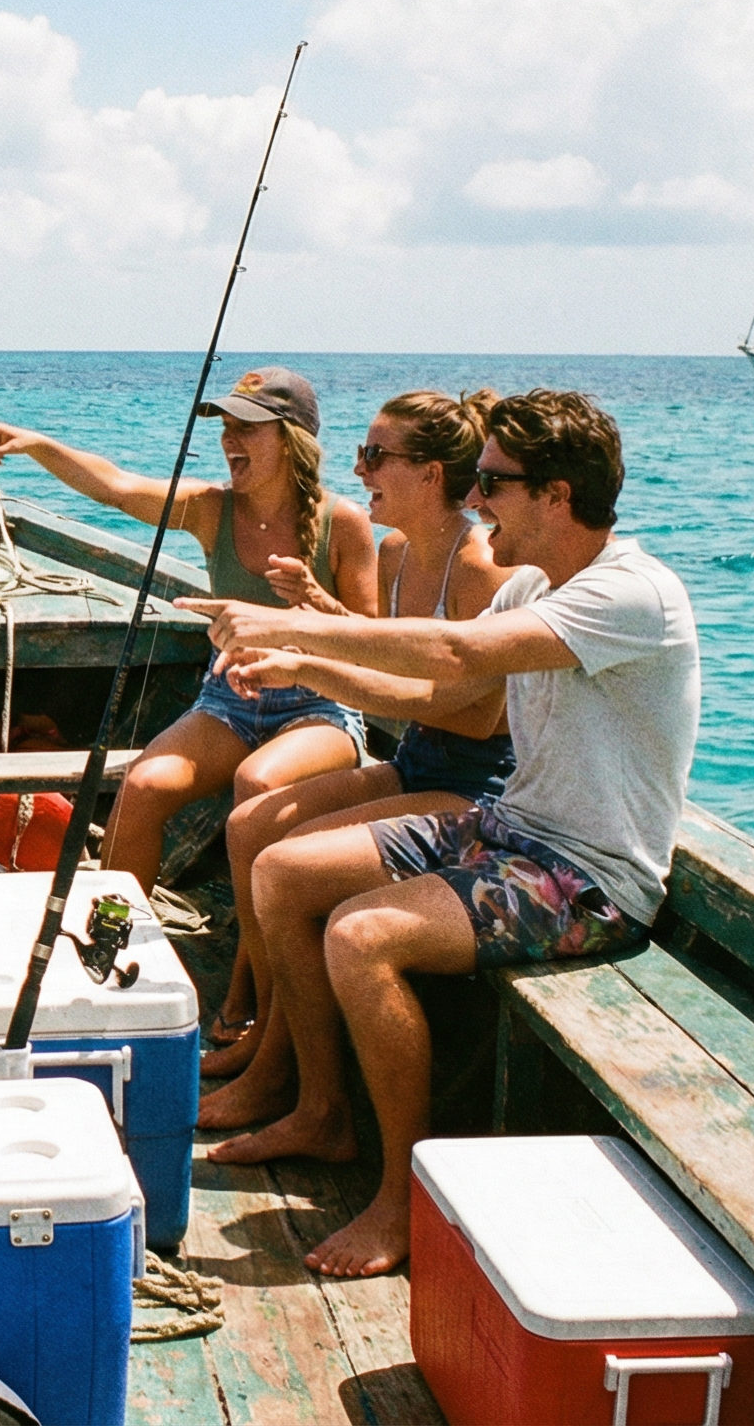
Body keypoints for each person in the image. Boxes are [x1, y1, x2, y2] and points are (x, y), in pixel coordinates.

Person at [178, 389, 699, 1277]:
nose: (478, 494)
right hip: (509, 828)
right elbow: (436, 697)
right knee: (282, 873)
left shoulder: (631, 595)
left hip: (588, 878)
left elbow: (455, 656)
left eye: (493, 480)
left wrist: (291, 621)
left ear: (557, 496)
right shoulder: (538, 584)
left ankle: (400, 1203)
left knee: (361, 936)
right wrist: (309, 662)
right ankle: (320, 1111)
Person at [195, 390, 516, 1096]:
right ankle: (269, 1049)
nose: (358, 467)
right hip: (415, 763)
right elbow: (387, 651)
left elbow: (470, 715)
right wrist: (316, 611)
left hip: (475, 785)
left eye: (376, 456)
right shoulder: (397, 550)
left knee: (284, 868)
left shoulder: (480, 566)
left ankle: (296, 1082)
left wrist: (303, 654)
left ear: (432, 475)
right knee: (249, 824)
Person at [0, 367, 376, 894]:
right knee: (140, 787)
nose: (229, 439)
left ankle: (256, 961)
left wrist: (314, 602)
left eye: (247, 427)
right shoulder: (210, 509)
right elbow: (116, 486)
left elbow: (372, 641)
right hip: (232, 701)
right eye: (225, 426)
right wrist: (40, 446)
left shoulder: (346, 523)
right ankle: (113, 939)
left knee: (259, 781)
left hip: (319, 708)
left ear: (291, 441)